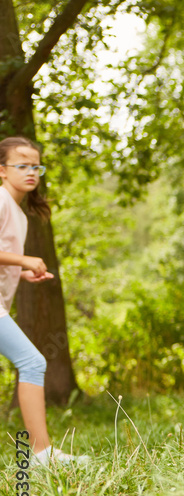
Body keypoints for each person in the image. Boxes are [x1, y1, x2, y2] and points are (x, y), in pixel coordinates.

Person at [0, 137, 89, 466]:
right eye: (21, 165)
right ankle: (42, 454)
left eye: (35, 165)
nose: (30, 171)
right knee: (33, 363)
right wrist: (24, 261)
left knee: (31, 363)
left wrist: (20, 273)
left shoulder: (18, 213)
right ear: (2, 171)